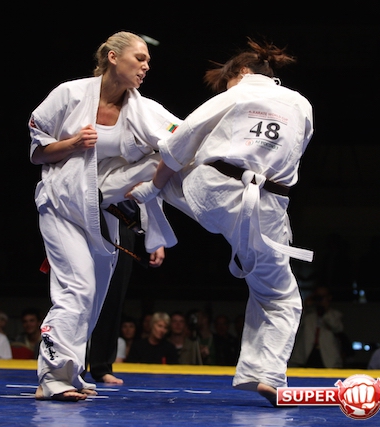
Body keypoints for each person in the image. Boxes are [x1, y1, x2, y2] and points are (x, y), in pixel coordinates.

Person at [127, 38, 314, 405]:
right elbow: (293, 156)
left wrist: (153, 187)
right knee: (279, 297)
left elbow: (181, 140)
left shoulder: (236, 94)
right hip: (266, 210)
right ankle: (268, 375)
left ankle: (109, 194)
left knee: (156, 161)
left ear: (242, 72)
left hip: (212, 193)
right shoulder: (301, 104)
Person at [28, 31, 179, 401]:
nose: (146, 66)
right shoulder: (70, 94)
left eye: (148, 61)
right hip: (63, 204)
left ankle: (72, 370)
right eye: (140, 58)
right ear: (113, 57)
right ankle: (53, 377)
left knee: (93, 296)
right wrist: (73, 143)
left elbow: (180, 142)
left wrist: (153, 228)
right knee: (78, 287)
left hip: (103, 211)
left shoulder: (146, 111)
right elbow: (38, 153)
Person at [87, 200, 165, 385]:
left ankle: (102, 366)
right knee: (81, 294)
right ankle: (73, 368)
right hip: (89, 215)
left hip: (123, 222)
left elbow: (152, 192)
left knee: (113, 297)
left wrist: (157, 238)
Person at [289, 285, 344, 368]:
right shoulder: (308, 315)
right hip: (307, 355)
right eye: (318, 297)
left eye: (323, 296)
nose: (320, 299)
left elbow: (338, 328)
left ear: (329, 297)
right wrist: (304, 306)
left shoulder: (335, 315)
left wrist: (325, 308)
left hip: (327, 356)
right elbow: (295, 326)